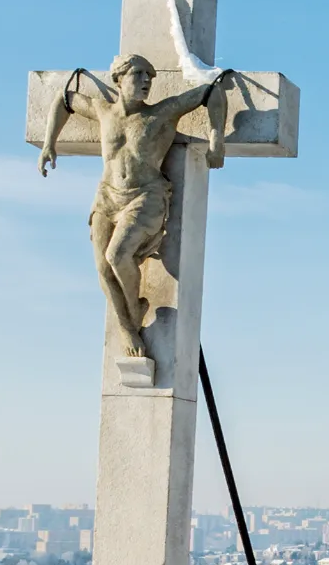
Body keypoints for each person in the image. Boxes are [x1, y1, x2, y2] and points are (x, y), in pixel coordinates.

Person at [39, 53, 232, 361]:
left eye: (150, 77)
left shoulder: (162, 113)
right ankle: (129, 322)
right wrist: (50, 142)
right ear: (119, 78)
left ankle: (130, 320)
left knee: (117, 255)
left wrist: (216, 138)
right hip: (107, 196)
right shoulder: (103, 111)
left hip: (146, 195)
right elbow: (64, 99)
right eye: (139, 74)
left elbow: (212, 92)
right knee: (103, 267)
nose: (146, 82)